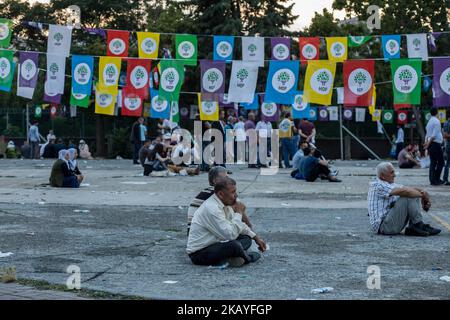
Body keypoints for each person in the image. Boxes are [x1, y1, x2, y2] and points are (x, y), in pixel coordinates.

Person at [187, 176, 266, 267]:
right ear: (221, 194)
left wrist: (256, 237)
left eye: (235, 191)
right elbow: (230, 235)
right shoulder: (212, 208)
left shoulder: (225, 202)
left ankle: (230, 258)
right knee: (233, 245)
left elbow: (240, 226)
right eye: (233, 192)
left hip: (218, 242)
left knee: (246, 238)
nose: (236, 195)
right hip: (200, 253)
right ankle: (247, 258)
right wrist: (239, 213)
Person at [367, 162, 441, 236]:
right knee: (407, 195)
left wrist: (423, 192)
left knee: (412, 193)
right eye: (392, 172)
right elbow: (405, 191)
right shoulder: (378, 185)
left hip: (390, 223)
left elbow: (409, 188)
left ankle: (414, 227)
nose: (395, 175)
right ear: (382, 176)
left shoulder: (389, 184)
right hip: (384, 227)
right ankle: (418, 225)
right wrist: (423, 196)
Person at [187, 166, 252, 234]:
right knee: (245, 238)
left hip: (195, 232)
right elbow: (240, 207)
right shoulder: (217, 193)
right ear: (215, 181)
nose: (228, 180)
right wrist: (250, 228)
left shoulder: (207, 192)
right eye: (225, 178)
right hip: (201, 234)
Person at [424, 108, 445, 185]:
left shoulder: (429, 122)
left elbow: (427, 134)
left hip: (431, 144)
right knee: (441, 162)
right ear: (437, 113)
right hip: (435, 144)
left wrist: (426, 143)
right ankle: (436, 179)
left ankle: (432, 180)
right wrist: (428, 144)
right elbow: (433, 135)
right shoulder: (436, 121)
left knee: (433, 162)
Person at [442, 116, 450, 185]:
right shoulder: (447, 123)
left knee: (448, 163)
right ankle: (445, 179)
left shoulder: (446, 123)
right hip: (449, 145)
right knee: (448, 163)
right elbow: (445, 135)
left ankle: (445, 178)